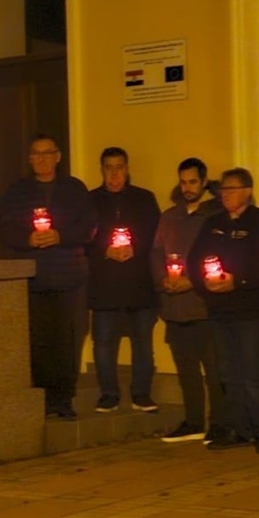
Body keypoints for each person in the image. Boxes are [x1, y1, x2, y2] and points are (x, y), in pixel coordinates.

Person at [0, 134, 96, 419]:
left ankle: (63, 399)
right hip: (32, 277)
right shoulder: (17, 192)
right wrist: (29, 238)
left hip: (68, 276)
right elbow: (4, 228)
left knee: (67, 340)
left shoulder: (74, 189)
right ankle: (40, 398)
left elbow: (89, 227)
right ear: (29, 159)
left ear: (58, 156)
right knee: (38, 341)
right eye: (35, 154)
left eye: (46, 153)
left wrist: (60, 236)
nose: (41, 159)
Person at [187, 168, 259, 454]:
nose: (226, 195)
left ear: (248, 191)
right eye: (223, 190)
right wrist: (207, 284)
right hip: (219, 311)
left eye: (232, 189)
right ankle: (238, 429)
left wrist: (237, 281)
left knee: (252, 373)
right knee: (228, 373)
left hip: (250, 311)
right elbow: (194, 260)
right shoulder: (213, 223)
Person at [150, 158, 225, 443]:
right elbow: (157, 252)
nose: (188, 187)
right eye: (183, 182)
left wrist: (191, 280)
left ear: (204, 182)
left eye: (193, 182)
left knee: (215, 371)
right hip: (175, 306)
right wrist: (163, 280)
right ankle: (193, 421)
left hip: (204, 306)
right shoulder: (170, 216)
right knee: (186, 370)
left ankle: (218, 422)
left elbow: (218, 256)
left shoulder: (214, 216)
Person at [87, 147, 161, 413]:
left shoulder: (144, 199)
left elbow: (155, 234)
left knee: (142, 341)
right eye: (109, 167)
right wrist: (103, 250)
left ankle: (142, 393)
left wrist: (135, 247)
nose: (115, 173)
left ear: (127, 169)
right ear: (102, 170)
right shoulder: (90, 201)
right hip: (104, 284)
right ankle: (108, 393)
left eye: (120, 167)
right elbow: (84, 238)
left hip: (139, 283)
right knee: (104, 342)